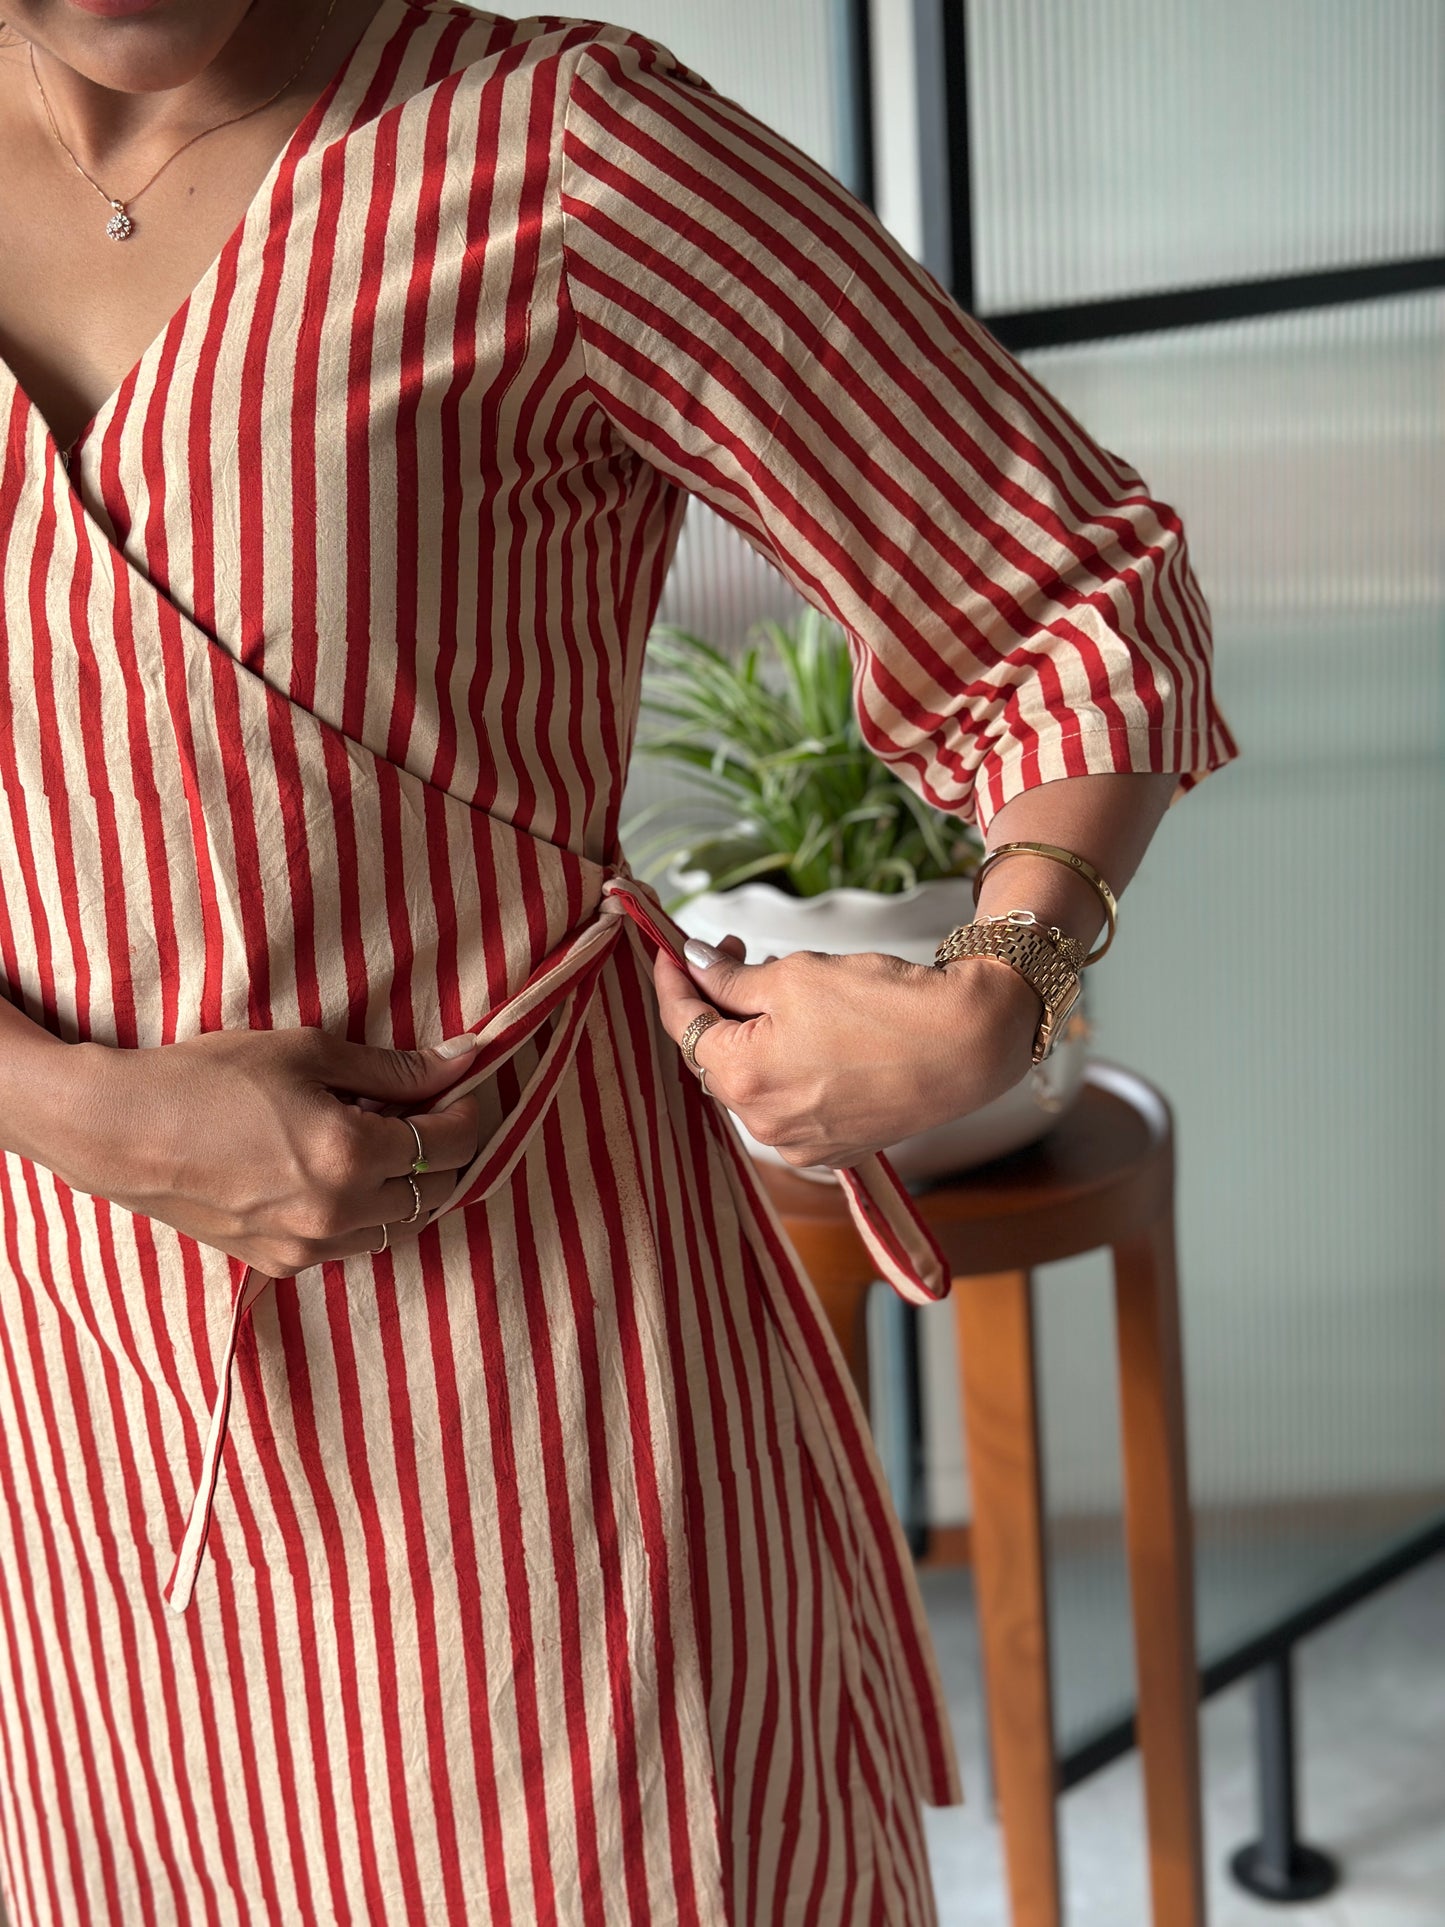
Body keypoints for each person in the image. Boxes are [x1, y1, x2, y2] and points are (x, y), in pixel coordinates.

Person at [0, 0, 1236, 1920]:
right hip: (59, 1416)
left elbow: (1072, 591)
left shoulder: (557, 148)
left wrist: (1003, 979)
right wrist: (69, 1103)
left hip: (524, 1378)